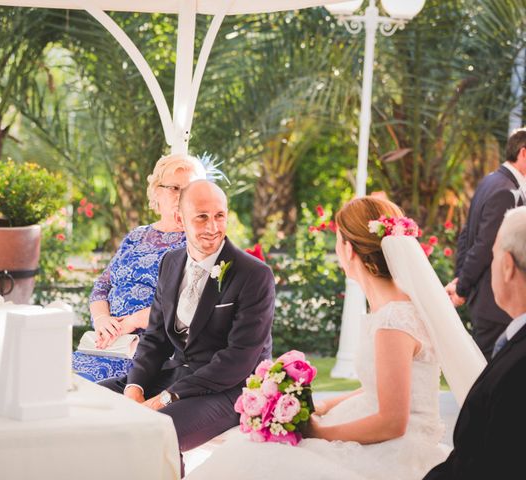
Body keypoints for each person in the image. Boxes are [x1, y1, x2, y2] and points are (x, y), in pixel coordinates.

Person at [188, 196, 485, 480]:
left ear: (348, 249)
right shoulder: (395, 307)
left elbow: (393, 422)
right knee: (254, 452)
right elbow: (386, 386)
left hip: (395, 451)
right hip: (379, 427)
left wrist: (317, 433)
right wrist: (328, 406)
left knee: (261, 460)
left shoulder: (393, 321)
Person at [99, 180, 275, 455]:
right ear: (181, 219)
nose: (213, 227)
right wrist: (135, 388)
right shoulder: (171, 262)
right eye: (202, 217)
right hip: (176, 373)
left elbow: (238, 359)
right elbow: (155, 338)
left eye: (219, 216)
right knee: (90, 405)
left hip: (228, 389)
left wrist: (164, 399)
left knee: (153, 433)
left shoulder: (254, 275)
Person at [73, 153, 206, 383]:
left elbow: (187, 303)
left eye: (190, 189)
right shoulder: (137, 235)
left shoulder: (198, 243)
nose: (182, 196)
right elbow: (103, 285)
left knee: (95, 395)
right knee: (61, 385)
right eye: (174, 188)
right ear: (157, 191)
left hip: (151, 348)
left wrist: (132, 322)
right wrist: (103, 320)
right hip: (108, 341)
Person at [425, 206, 526, 480]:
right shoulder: (513, 344)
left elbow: (492, 463)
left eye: (492, 257)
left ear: (507, 266)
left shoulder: (519, 366)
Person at [446, 128, 526, 359]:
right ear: (523, 153)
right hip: (495, 305)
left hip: (485, 301)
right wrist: (462, 288)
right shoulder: (507, 191)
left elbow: (466, 235)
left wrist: (462, 279)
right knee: (490, 380)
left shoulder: (491, 181)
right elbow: (484, 245)